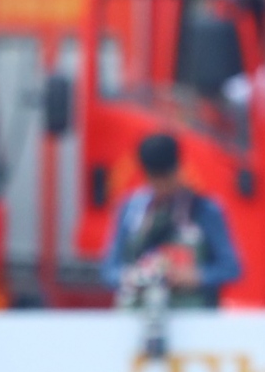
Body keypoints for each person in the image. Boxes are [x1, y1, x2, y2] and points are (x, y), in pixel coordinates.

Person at [101, 132, 242, 308]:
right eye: (155, 179)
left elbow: (232, 268)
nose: (162, 186)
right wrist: (134, 277)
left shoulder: (204, 210)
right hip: (138, 311)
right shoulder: (131, 210)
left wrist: (195, 276)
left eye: (166, 178)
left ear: (177, 170)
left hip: (193, 314)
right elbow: (109, 271)